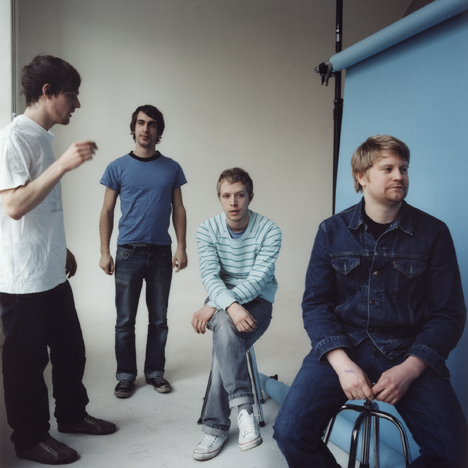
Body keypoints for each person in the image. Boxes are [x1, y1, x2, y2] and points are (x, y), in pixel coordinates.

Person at [273, 135, 468, 467]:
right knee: (290, 433)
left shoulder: (434, 233)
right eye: (387, 169)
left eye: (403, 168)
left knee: (455, 451)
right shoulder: (331, 231)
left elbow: (448, 314)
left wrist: (409, 369)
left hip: (409, 349)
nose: (399, 176)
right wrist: (343, 365)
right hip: (343, 346)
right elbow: (316, 304)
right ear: (361, 176)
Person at [0, 54, 116, 466]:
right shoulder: (13, 138)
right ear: (48, 92)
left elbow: (38, 206)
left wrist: (59, 247)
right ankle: (30, 439)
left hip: (50, 270)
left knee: (71, 351)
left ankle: (71, 415)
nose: (77, 104)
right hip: (22, 281)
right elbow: (14, 205)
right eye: (72, 94)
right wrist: (64, 165)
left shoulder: (41, 139)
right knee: (26, 365)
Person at [191, 167, 282, 461]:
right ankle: (244, 411)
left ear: (250, 197)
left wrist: (217, 304)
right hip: (222, 302)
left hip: (258, 302)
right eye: (226, 196)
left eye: (240, 195)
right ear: (219, 198)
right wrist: (228, 305)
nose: (233, 202)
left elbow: (258, 280)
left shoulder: (269, 230)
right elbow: (210, 276)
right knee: (226, 330)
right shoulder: (207, 229)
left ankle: (215, 428)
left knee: (223, 341)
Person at [99, 104, 187, 399]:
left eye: (151, 124)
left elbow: (179, 209)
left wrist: (182, 247)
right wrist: (104, 251)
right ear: (133, 128)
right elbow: (107, 210)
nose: (145, 129)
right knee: (125, 320)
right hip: (127, 253)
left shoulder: (172, 168)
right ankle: (125, 375)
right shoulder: (117, 167)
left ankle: (154, 372)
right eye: (140, 123)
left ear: (158, 130)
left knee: (159, 320)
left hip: (161, 253)